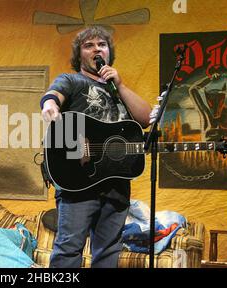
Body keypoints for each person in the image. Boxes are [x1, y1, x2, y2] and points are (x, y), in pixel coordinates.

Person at [40, 26, 151, 268]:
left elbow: (147, 119)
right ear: (79, 56)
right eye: (89, 46)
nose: (97, 49)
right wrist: (50, 105)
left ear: (109, 52)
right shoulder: (72, 80)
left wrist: (120, 85)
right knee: (69, 249)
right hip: (78, 179)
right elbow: (53, 96)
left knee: (109, 251)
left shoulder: (118, 90)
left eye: (102, 44)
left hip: (116, 183)